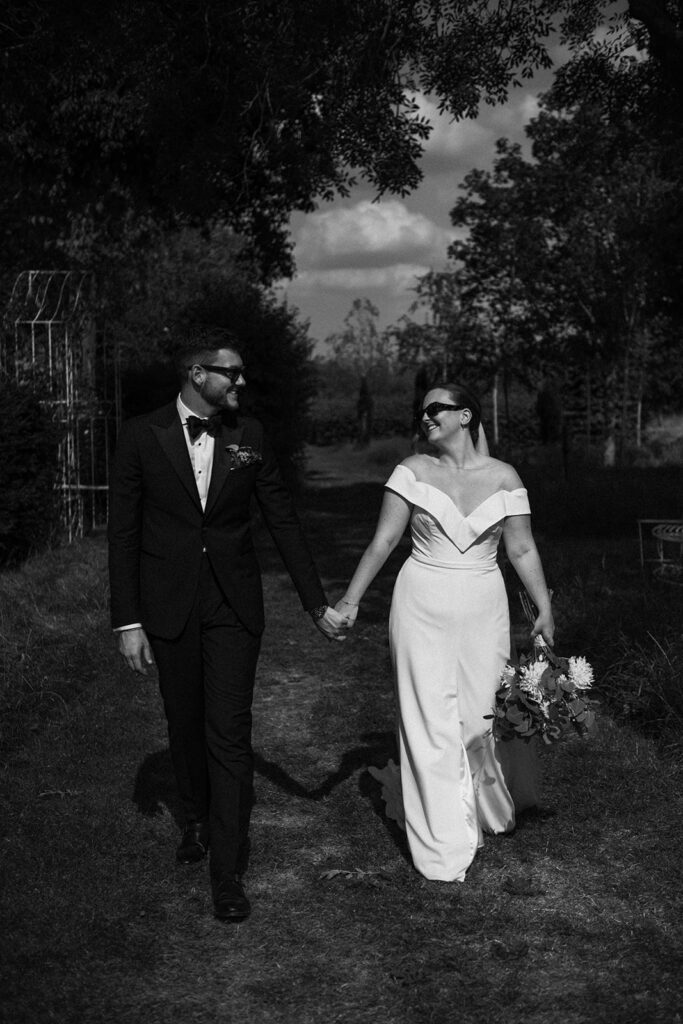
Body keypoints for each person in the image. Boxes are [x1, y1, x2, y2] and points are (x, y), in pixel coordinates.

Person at [108, 327, 347, 921]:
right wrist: (127, 622)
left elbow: (283, 522)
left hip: (234, 608)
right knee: (184, 722)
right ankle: (193, 817)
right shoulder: (142, 435)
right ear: (197, 374)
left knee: (228, 731)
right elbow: (124, 534)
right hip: (168, 605)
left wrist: (316, 604)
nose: (240, 382)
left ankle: (227, 873)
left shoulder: (250, 434)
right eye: (230, 372)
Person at [335, 382, 554, 882]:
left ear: (466, 415)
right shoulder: (412, 471)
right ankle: (441, 841)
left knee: (482, 712)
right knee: (427, 717)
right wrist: (349, 602)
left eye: (436, 408)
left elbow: (521, 549)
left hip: (484, 605)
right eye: (422, 410)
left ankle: (484, 805)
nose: (425, 416)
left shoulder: (504, 477)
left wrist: (544, 607)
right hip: (421, 604)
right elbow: (383, 541)